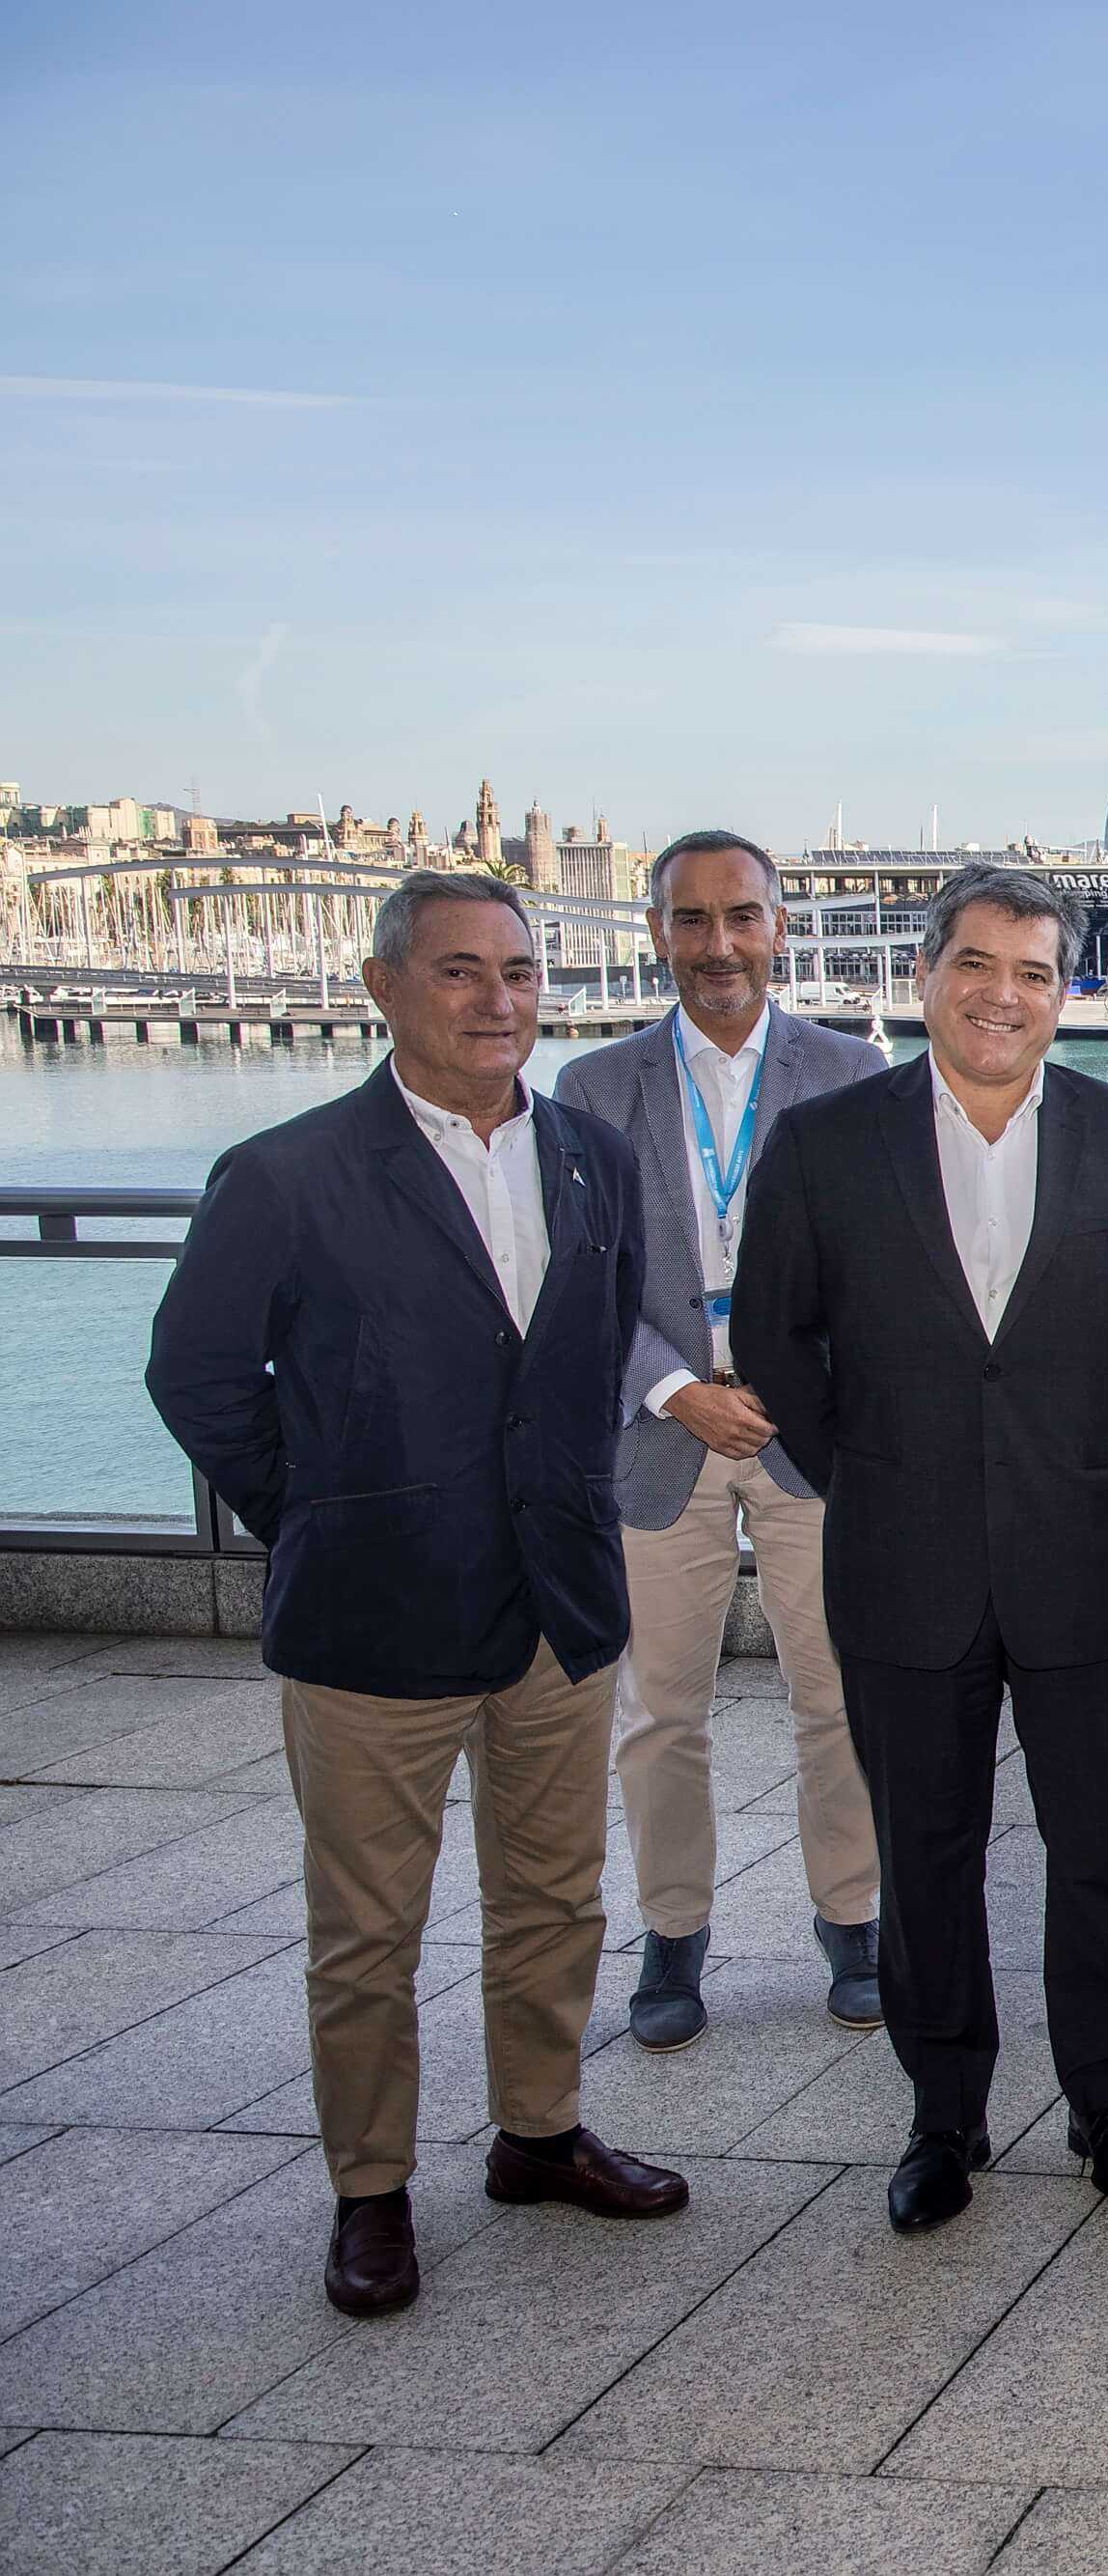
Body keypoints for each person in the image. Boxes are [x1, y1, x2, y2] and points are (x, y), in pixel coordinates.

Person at [148, 870, 687, 2319]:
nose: (496, 1000)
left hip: (557, 1608)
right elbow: (198, 1378)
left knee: (555, 1900)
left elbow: (582, 1371)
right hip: (373, 1618)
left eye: (518, 973)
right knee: (370, 1928)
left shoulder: (588, 1156)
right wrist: (319, 1513)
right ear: (386, 987)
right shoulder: (286, 1176)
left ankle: (539, 2132)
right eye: (459, 972)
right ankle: (370, 2188)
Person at [729, 864, 1108, 2232]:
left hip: (1091, 1555)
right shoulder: (826, 1145)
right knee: (926, 1854)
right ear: (926, 977)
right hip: (903, 1557)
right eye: (975, 965)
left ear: (1066, 991)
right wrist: (877, 1478)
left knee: (1098, 1849)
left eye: (1033, 970)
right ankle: (944, 2118)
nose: (1003, 993)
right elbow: (777, 1342)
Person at [556, 830, 894, 2053]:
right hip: (663, 1432)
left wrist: (808, 1390)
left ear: (778, 928)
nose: (719, 945)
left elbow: (882, 1268)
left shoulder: (857, 1069)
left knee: (838, 1694)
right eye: (691, 920)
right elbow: (579, 1282)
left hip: (810, 1436)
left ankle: (851, 1919)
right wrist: (672, 1388)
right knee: (663, 1711)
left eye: (740, 917)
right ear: (658, 934)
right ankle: (674, 1932)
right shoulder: (593, 1089)